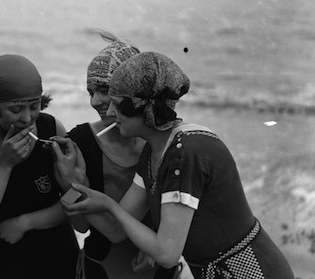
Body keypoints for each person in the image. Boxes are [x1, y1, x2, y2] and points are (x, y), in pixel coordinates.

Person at [55, 51, 294, 278]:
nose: (110, 111)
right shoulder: (155, 150)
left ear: (142, 107)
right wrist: (71, 183)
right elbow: (117, 231)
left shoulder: (185, 154)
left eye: (118, 104)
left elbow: (167, 254)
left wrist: (109, 204)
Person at [0, 54, 79, 279]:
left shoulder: (51, 127)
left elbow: (75, 200)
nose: (27, 118)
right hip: (1, 262)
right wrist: (4, 163)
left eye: (35, 106)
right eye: (15, 110)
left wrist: (26, 223)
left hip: (58, 257)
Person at [65, 32, 155, 279]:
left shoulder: (159, 141)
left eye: (104, 89)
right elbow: (81, 226)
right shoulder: (82, 141)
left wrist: (157, 244)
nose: (95, 101)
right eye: (90, 91)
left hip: (158, 267)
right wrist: (73, 184)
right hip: (103, 268)